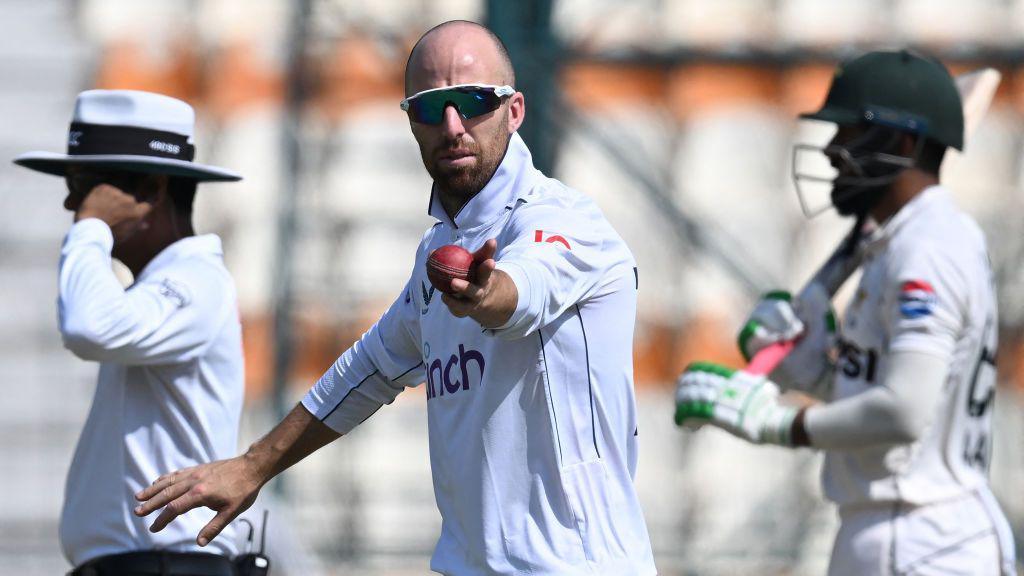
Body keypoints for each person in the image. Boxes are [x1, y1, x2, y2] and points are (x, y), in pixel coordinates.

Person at [133, 20, 656, 576]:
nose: (453, 125)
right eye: (433, 108)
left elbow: (522, 291)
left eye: (473, 101)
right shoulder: (437, 248)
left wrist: (485, 292)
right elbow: (370, 369)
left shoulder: (563, 221)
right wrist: (253, 466)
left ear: (515, 110)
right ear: (411, 122)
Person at [673, 50, 1016, 575]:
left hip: (928, 538)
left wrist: (780, 423)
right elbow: (896, 393)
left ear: (902, 143)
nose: (834, 152)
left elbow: (904, 412)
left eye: (851, 135)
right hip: (886, 527)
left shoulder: (928, 248)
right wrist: (817, 373)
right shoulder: (896, 242)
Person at [14, 89, 247, 575]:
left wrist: (91, 226)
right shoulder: (163, 286)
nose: (72, 202)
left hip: (166, 565)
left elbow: (89, 328)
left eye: (85, 185)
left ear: (150, 190)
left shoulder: (197, 281)